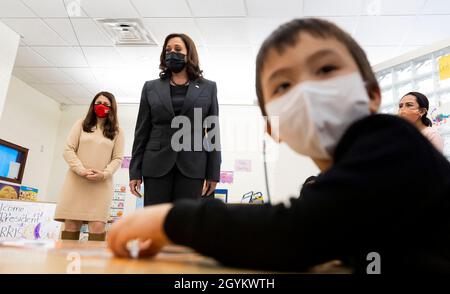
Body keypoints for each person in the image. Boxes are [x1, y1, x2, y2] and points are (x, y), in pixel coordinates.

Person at [107, 19, 450, 273]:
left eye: (326, 68)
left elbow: (291, 235)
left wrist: (173, 219)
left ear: (372, 94)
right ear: (273, 127)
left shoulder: (393, 140)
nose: (307, 90)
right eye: (284, 85)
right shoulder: (344, 190)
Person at [129, 33, 221, 206]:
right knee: (155, 222)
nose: (172, 53)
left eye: (178, 49)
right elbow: (141, 132)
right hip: (156, 164)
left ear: (189, 54)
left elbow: (213, 133)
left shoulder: (208, 87)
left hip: (193, 166)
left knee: (187, 224)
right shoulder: (151, 87)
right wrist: (135, 172)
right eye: (168, 50)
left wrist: (213, 173)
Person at [55, 92, 124, 241]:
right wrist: (81, 170)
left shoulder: (117, 131)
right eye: (98, 103)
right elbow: (68, 150)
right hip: (75, 182)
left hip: (101, 185)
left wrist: (104, 174)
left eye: (106, 105)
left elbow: (118, 158)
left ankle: (93, 264)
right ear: (93, 105)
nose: (101, 107)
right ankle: (65, 264)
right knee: (71, 225)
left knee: (98, 226)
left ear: (112, 109)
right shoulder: (80, 124)